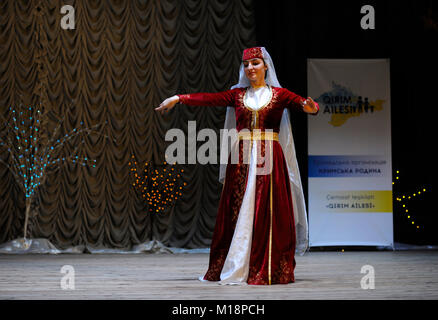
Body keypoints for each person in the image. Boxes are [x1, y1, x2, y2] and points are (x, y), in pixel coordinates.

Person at [155, 47, 319, 285]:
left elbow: (304, 104)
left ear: (265, 66)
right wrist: (179, 98)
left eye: (255, 63)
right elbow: (209, 99)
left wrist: (311, 107)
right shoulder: (237, 95)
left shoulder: (280, 94)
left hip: (270, 159)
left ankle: (265, 265)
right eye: (246, 64)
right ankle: (237, 262)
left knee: (268, 211)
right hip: (241, 159)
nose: (250, 68)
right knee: (238, 209)